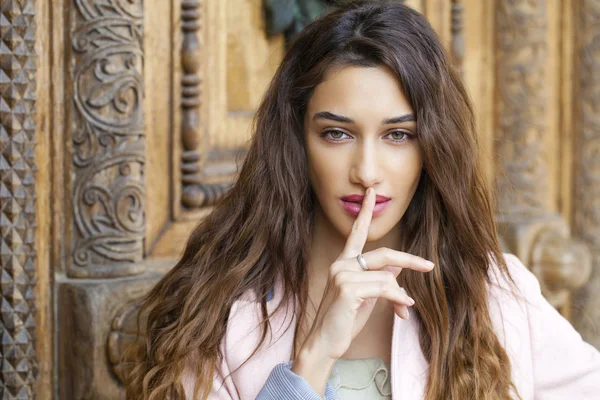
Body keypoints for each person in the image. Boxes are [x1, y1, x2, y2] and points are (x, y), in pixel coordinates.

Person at [126, 1, 600, 399]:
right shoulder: (220, 311)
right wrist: (309, 363)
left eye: (398, 135)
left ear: (432, 146)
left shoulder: (496, 296)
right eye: (336, 133)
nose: (367, 172)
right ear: (297, 139)